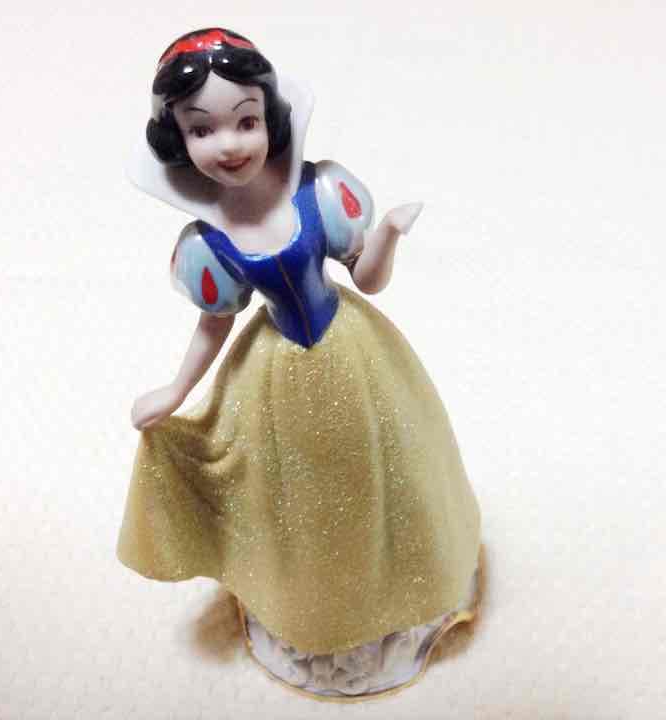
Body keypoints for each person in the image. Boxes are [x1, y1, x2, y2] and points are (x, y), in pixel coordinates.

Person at [118, 28, 481, 698]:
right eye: (202, 130)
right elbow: (214, 323)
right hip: (277, 378)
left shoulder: (319, 193)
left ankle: (394, 598)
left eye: (245, 121)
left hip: (355, 356)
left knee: (383, 478)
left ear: (270, 118)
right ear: (178, 140)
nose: (229, 144)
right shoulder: (209, 243)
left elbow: (366, 279)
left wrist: (388, 234)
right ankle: (318, 614)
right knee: (300, 506)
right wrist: (174, 391)